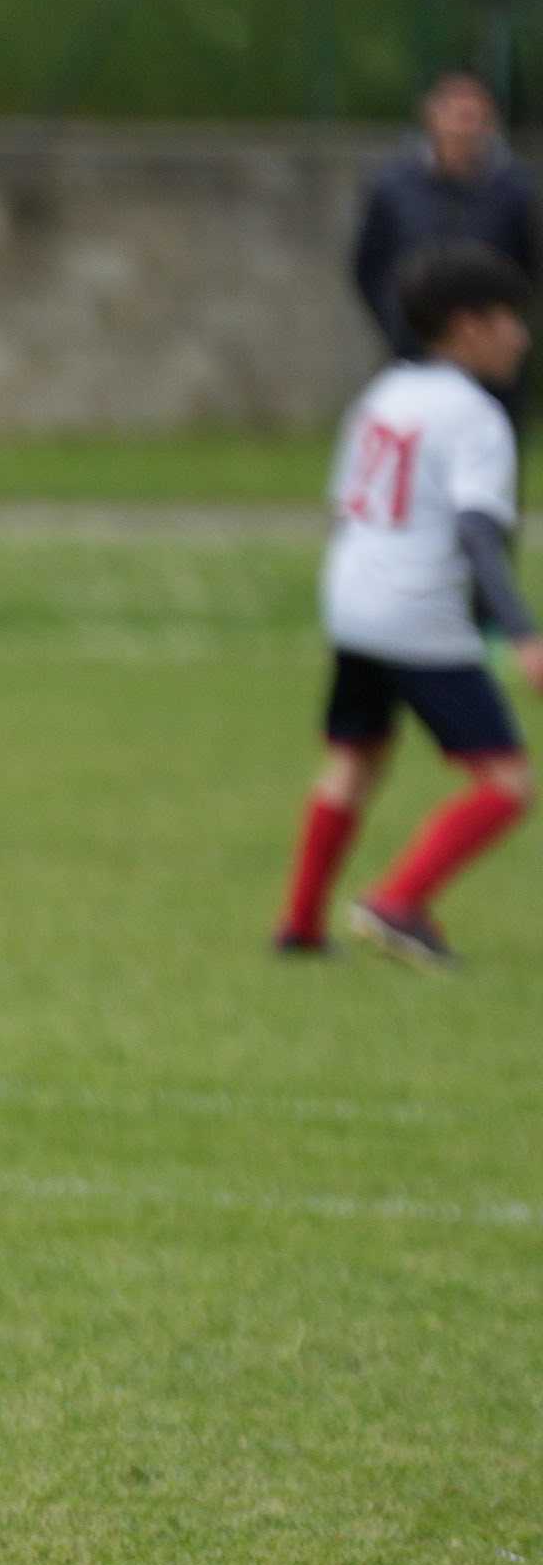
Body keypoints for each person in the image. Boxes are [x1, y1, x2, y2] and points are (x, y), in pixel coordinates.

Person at [280, 247, 540, 973]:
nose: (522, 337)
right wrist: (522, 633)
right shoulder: (476, 417)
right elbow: (478, 533)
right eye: (511, 321)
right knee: (508, 784)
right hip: (420, 616)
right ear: (468, 326)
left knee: (354, 759)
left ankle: (300, 926)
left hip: (354, 603)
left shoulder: (383, 393)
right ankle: (398, 902)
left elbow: (344, 507)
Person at [355, 73, 537, 373]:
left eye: (474, 117)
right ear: (432, 116)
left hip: (486, 360)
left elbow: (526, 266)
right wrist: (396, 320)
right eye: (457, 115)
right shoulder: (393, 187)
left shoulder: (514, 191)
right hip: (413, 348)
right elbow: (369, 266)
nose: (464, 128)